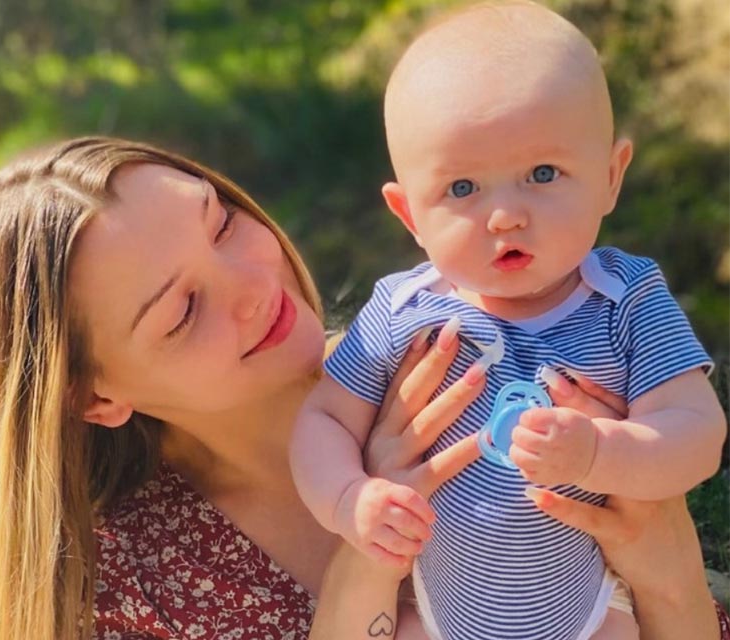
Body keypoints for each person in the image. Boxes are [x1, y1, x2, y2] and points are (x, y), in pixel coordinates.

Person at [0, 136, 727, 640]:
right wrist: (366, 554)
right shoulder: (134, 592)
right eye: (180, 312)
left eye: (222, 222)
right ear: (93, 398)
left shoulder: (469, 352)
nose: (255, 284)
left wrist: (671, 580)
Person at [290, 2, 727, 640]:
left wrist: (602, 453)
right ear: (409, 215)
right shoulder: (401, 308)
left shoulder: (626, 298)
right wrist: (348, 498)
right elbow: (325, 418)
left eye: (542, 174)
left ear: (610, 177)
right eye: (463, 189)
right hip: (440, 611)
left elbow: (696, 432)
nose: (505, 216)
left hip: (586, 608)